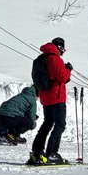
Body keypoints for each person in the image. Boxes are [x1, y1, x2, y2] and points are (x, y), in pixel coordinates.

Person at [27, 38, 72, 166]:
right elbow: (63, 76)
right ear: (60, 48)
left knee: (47, 123)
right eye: (63, 49)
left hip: (45, 97)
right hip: (57, 97)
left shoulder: (42, 58)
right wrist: (68, 70)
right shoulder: (55, 58)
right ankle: (51, 153)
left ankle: (37, 152)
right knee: (60, 124)